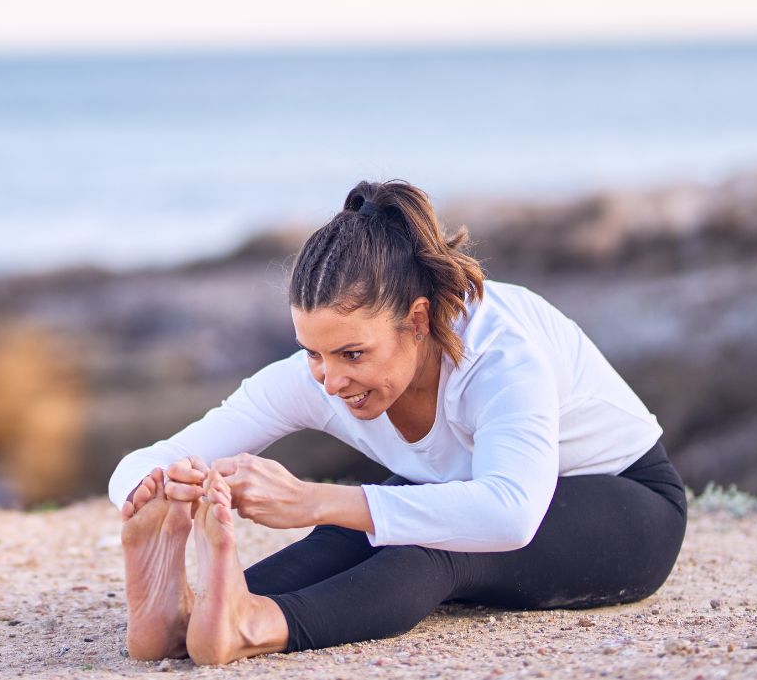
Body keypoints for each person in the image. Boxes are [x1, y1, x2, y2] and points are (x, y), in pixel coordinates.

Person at [107, 180, 688, 665]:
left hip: (628, 505)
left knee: (430, 546)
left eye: (352, 355)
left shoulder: (501, 355)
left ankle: (256, 625)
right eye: (313, 352)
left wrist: (313, 500)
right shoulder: (317, 376)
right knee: (352, 532)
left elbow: (508, 513)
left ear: (417, 320)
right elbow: (152, 457)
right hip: (487, 500)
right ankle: (190, 618)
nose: (331, 381)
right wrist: (155, 489)